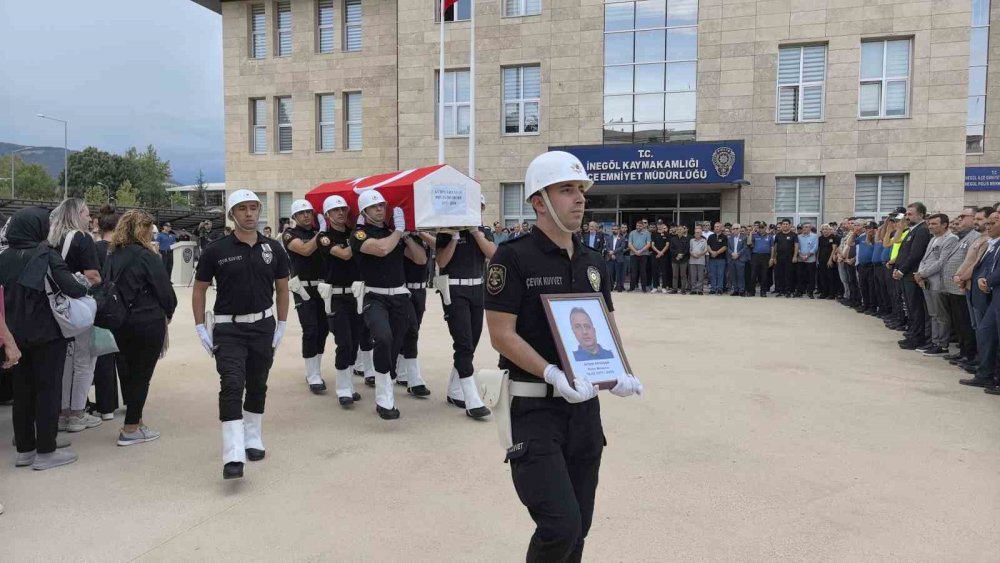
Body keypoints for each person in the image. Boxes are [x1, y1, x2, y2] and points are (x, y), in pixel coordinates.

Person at [484, 151, 642, 562]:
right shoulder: (512, 257)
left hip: (584, 411)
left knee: (580, 529)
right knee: (559, 526)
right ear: (539, 201)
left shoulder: (592, 260)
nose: (579, 199)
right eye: (566, 189)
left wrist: (621, 371)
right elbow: (501, 334)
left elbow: (606, 323)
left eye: (581, 190)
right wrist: (552, 372)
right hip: (535, 408)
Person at [193, 190, 290, 480]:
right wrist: (200, 326)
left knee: (258, 382)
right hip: (228, 328)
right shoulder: (216, 250)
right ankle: (233, 453)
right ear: (232, 214)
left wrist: (282, 324)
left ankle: (253, 437)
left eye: (253, 208)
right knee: (232, 384)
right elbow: (199, 290)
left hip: (263, 326)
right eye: (242, 209)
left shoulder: (274, 248)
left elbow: (282, 289)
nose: (249, 214)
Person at [1, 208, 87, 470]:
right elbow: (72, 288)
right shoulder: (45, 254)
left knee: (23, 391)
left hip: (15, 335)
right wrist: (83, 283)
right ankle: (46, 450)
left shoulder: (3, 258)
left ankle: (25, 449)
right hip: (47, 333)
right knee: (48, 390)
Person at [349, 189, 426, 420]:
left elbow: (421, 259)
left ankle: (388, 381)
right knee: (383, 338)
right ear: (364, 210)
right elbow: (381, 249)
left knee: (396, 344)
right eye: (375, 207)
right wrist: (398, 232)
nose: (380, 209)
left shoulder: (393, 233)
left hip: (400, 297)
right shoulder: (359, 234)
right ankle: (384, 399)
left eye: (382, 205)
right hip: (375, 296)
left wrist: (407, 237)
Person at [106, 210, 178, 446]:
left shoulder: (113, 254)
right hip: (146, 320)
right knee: (142, 374)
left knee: (127, 371)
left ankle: (134, 418)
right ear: (142, 230)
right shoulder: (146, 256)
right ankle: (131, 427)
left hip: (119, 321)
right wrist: (169, 312)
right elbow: (165, 290)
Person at [436, 196, 496, 418]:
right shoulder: (446, 231)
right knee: (463, 342)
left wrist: (475, 232)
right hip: (454, 289)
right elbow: (442, 262)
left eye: (479, 207)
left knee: (472, 341)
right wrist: (454, 236)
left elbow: (493, 254)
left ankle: (454, 389)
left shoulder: (483, 230)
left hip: (477, 288)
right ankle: (472, 399)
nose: (476, 211)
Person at [48, 198, 104, 433]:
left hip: (54, 306)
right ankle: (77, 414)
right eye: (86, 213)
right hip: (78, 306)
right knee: (84, 360)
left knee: (65, 361)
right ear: (76, 214)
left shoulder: (51, 239)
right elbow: (92, 276)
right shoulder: (82, 239)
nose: (89, 219)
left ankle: (61, 412)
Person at [315, 195, 364, 407]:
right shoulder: (324, 237)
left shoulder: (354, 233)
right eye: (335, 210)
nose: (341, 213)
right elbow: (344, 254)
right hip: (336, 295)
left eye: (343, 209)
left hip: (356, 293)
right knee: (343, 341)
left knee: (355, 341)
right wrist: (360, 239)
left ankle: (350, 384)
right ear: (327, 215)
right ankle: (343, 388)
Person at [282, 199, 331, 394]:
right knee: (310, 329)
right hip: (303, 287)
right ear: (294, 217)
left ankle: (316, 368)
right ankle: (312, 375)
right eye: (301, 213)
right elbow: (305, 249)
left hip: (322, 286)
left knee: (324, 329)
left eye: (309, 212)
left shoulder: (316, 232)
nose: (306, 215)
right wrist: (322, 232)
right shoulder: (289, 234)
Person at [963, 210, 1000, 389]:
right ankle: (985, 374)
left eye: (993, 223)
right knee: (986, 332)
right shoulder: (993, 245)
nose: (989, 226)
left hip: (995, 294)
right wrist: (982, 278)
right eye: (989, 223)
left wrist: (989, 280)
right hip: (991, 296)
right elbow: (986, 265)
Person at [394, 232, 433, 398]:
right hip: (404, 290)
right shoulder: (400, 238)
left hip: (420, 290)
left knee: (411, 331)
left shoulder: (423, 236)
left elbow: (437, 246)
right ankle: (414, 379)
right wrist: (407, 236)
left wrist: (421, 233)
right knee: (411, 332)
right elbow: (421, 259)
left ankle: (403, 372)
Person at [942, 207, 981, 367]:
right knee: (959, 322)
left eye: (964, 216)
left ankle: (969, 353)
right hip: (955, 287)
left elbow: (972, 261)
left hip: (963, 286)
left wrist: (962, 277)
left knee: (965, 322)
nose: (960, 219)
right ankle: (964, 351)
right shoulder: (964, 237)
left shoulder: (976, 237)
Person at [914, 214, 958, 357]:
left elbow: (941, 262)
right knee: (933, 314)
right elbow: (925, 259)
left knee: (941, 315)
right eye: (930, 224)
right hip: (927, 281)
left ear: (945, 224)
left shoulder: (951, 239)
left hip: (938, 282)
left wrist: (923, 274)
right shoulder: (933, 238)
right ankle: (934, 342)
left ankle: (942, 345)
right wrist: (920, 273)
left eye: (934, 224)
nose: (930, 226)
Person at [91, 206, 121, 420]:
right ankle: (122, 401)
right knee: (123, 356)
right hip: (122, 306)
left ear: (98, 226)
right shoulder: (124, 250)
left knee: (102, 354)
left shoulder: (93, 249)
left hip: (98, 306)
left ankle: (104, 406)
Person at [894, 203, 932, 350]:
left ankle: (917, 337)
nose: (907, 217)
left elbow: (915, 254)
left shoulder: (922, 231)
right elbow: (904, 252)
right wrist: (897, 268)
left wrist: (902, 270)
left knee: (915, 307)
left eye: (910, 214)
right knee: (910, 306)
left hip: (911, 274)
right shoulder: (912, 230)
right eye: (907, 214)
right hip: (905, 274)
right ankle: (912, 333)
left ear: (921, 215)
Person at [770, 219, 798, 298]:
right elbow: (775, 247)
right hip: (779, 258)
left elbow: (796, 246)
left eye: (787, 224)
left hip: (789, 258)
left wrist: (795, 256)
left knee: (789, 275)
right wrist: (774, 257)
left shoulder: (793, 235)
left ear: (789, 225)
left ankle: (788, 291)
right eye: (784, 224)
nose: (785, 225)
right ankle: (781, 291)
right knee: (780, 275)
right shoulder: (778, 235)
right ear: (781, 225)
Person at [816, 224, 840, 299]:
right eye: (823, 229)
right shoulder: (820, 238)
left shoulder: (833, 237)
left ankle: (831, 293)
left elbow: (834, 249)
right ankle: (824, 292)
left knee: (830, 277)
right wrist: (817, 260)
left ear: (829, 230)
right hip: (821, 259)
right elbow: (819, 249)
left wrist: (830, 260)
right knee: (823, 277)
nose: (825, 230)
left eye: (826, 229)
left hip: (829, 259)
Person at [750, 222, 773, 297]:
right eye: (759, 227)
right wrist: (751, 232)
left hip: (766, 257)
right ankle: (752, 291)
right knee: (753, 275)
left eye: (762, 227)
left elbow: (772, 248)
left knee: (764, 275)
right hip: (756, 256)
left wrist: (771, 258)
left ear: (766, 227)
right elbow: (749, 243)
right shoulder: (754, 235)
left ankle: (763, 291)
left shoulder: (770, 236)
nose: (761, 228)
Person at [795, 223, 818, 298]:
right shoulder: (799, 236)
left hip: (810, 259)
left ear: (810, 228)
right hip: (800, 259)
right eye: (803, 227)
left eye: (806, 227)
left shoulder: (814, 236)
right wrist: (800, 255)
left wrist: (808, 255)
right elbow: (797, 247)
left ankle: (810, 292)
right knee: (800, 276)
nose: (804, 228)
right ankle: (799, 292)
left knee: (811, 277)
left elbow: (815, 247)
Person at [627, 219, 650, 292]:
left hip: (644, 254)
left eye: (640, 226)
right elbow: (629, 244)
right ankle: (632, 288)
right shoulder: (632, 233)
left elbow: (648, 244)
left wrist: (640, 251)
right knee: (633, 271)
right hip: (633, 254)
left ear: (643, 226)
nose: (638, 227)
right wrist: (636, 251)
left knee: (643, 271)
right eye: (637, 225)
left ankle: (644, 288)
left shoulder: (647, 233)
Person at [727, 223, 750, 296]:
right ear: (732, 230)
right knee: (733, 275)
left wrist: (738, 254)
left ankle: (741, 290)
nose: (735, 230)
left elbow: (745, 247)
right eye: (734, 229)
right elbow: (728, 248)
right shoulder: (729, 238)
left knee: (740, 275)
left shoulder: (744, 237)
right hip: (732, 258)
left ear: (740, 229)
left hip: (740, 259)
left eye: (737, 228)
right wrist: (732, 254)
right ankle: (736, 290)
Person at [650, 223, 670, 293]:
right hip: (655, 255)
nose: (659, 225)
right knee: (655, 271)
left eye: (661, 224)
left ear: (663, 225)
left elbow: (667, 245)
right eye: (658, 224)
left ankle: (664, 287)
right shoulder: (653, 234)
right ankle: (655, 287)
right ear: (657, 225)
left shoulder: (666, 234)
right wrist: (658, 252)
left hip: (664, 255)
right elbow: (652, 245)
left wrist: (661, 253)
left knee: (664, 271)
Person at [670, 225, 690, 294]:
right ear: (676, 231)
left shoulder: (686, 239)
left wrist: (681, 255)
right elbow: (671, 249)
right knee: (674, 275)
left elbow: (687, 249)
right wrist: (677, 254)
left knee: (683, 275)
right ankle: (674, 289)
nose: (679, 230)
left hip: (683, 260)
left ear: (683, 230)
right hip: (674, 260)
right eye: (678, 229)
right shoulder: (673, 239)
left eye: (681, 229)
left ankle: (683, 290)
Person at [606, 225, 627, 291]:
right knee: (610, 273)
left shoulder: (622, 238)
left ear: (618, 230)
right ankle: (611, 287)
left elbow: (622, 247)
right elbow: (607, 246)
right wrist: (611, 254)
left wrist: (613, 252)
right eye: (613, 229)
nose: (614, 230)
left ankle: (619, 287)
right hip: (610, 257)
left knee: (619, 274)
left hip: (618, 257)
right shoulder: (608, 238)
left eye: (615, 229)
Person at [688, 226, 708, 295]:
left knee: (700, 276)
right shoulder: (691, 240)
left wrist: (699, 254)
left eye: (699, 232)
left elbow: (706, 250)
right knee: (693, 275)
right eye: (696, 232)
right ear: (694, 233)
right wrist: (693, 254)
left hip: (701, 260)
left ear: (701, 233)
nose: (697, 234)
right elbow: (689, 249)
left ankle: (699, 290)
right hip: (692, 260)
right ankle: (693, 289)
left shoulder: (704, 240)